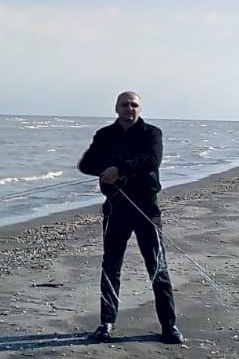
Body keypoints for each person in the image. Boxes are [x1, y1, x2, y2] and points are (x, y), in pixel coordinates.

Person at [78, 91, 183, 344]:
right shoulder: (105, 135)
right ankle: (106, 322)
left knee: (157, 265)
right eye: (125, 105)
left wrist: (121, 168)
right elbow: (86, 164)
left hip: (146, 208)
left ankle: (169, 325)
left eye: (134, 105)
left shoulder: (152, 133)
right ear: (116, 108)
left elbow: (152, 160)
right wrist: (108, 170)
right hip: (116, 208)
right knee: (111, 265)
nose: (129, 109)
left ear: (140, 108)